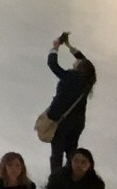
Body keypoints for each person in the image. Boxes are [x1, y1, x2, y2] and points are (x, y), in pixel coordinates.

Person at [40, 33, 95, 180]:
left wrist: (55, 47)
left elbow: (53, 64)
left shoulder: (71, 77)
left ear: (79, 68)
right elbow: (84, 60)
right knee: (71, 150)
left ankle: (56, 180)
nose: (75, 62)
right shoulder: (89, 79)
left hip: (62, 120)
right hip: (78, 121)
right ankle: (72, 176)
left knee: (57, 152)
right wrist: (70, 46)